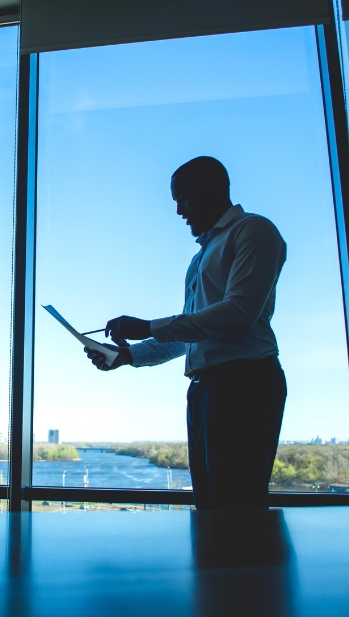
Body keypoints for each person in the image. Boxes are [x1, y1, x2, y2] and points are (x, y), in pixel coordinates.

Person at [85, 156, 287, 511]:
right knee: (212, 507)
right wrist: (128, 355)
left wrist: (146, 327)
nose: (179, 211)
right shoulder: (200, 257)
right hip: (208, 388)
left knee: (237, 509)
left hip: (245, 385)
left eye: (184, 198)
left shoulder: (255, 231)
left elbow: (238, 314)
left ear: (213, 189)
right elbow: (191, 332)